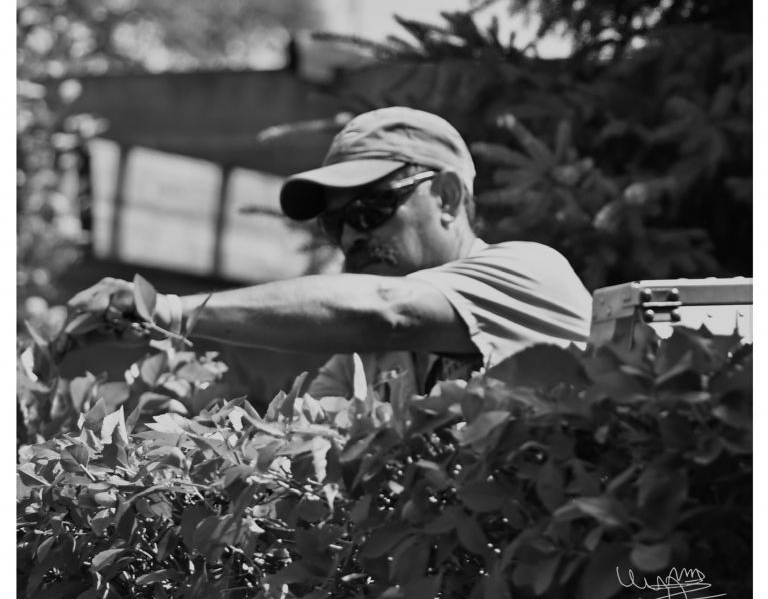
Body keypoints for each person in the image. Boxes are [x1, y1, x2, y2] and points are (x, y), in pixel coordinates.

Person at [66, 107, 592, 402]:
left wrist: (169, 310)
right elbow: (298, 457)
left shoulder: (528, 272)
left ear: (448, 198)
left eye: (370, 209)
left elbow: (389, 310)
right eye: (335, 223)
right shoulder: (360, 364)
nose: (351, 238)